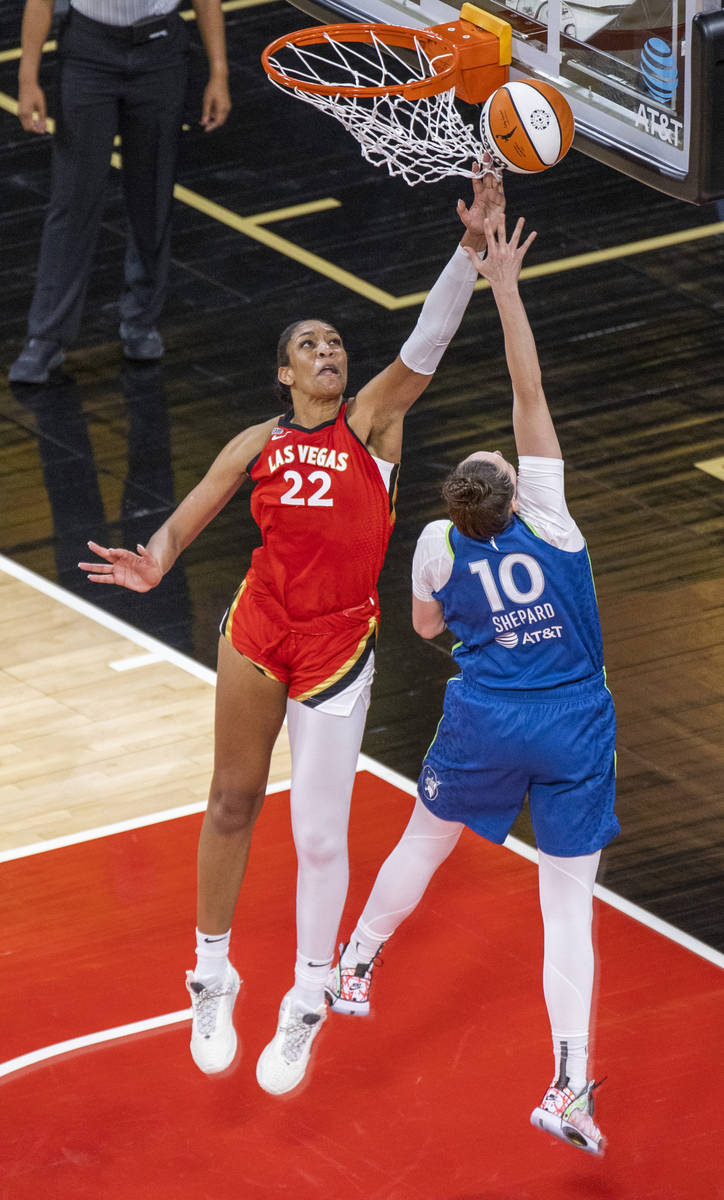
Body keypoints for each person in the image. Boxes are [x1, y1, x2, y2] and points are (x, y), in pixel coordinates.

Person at [77, 160, 506, 1096]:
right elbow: (194, 509)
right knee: (231, 801)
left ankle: (308, 998)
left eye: (336, 342)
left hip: (337, 647)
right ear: (284, 372)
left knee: (319, 833)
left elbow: (426, 345)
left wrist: (469, 249)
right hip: (259, 627)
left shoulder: (372, 426)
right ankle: (211, 974)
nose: (328, 350)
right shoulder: (259, 442)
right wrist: (155, 558)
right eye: (309, 344)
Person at [326, 215, 619, 1155]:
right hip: (572, 723)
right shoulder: (552, 519)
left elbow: (422, 628)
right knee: (566, 906)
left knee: (427, 840)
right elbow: (527, 387)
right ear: (514, 490)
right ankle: (567, 1083)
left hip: (486, 717)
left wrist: (475, 621)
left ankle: (355, 967)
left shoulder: (437, 543)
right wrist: (506, 286)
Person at [9, 0, 230, 384]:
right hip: (88, 54)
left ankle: (141, 321)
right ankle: (45, 336)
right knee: (72, 201)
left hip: (161, 54)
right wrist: (27, 79)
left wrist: (220, 72)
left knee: (152, 196)